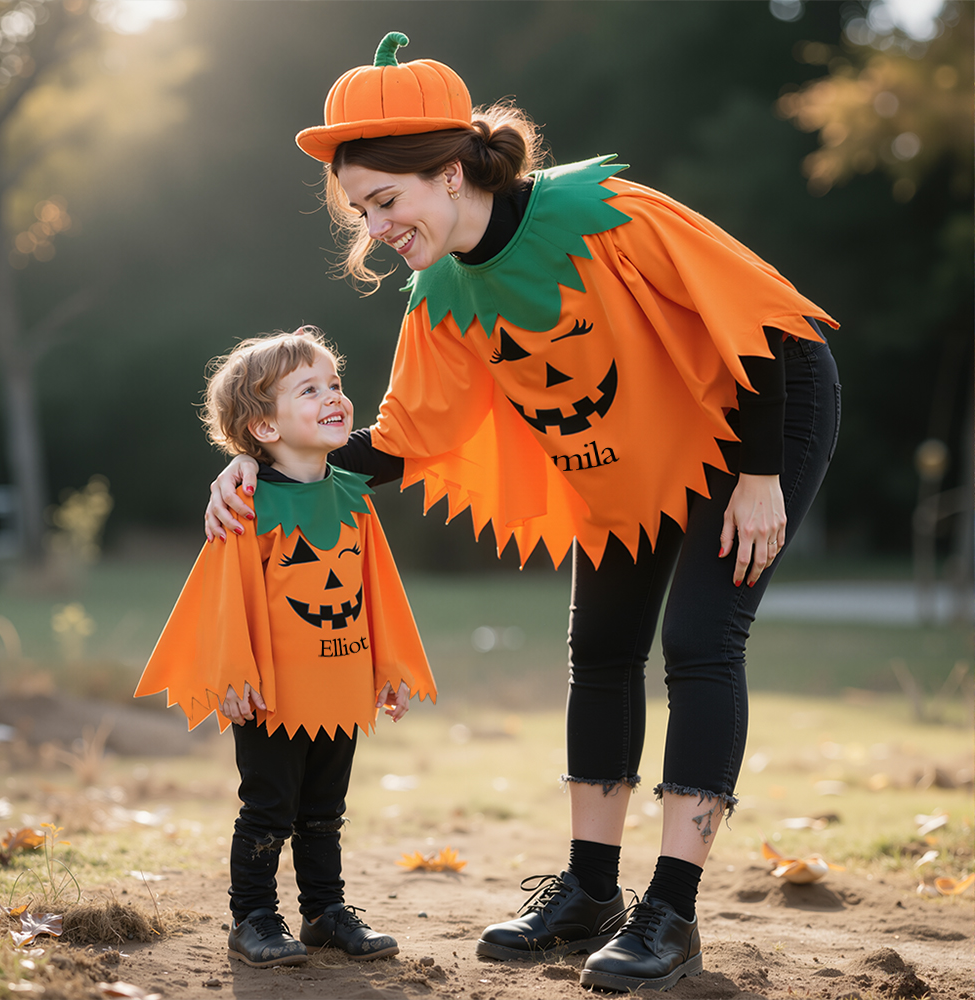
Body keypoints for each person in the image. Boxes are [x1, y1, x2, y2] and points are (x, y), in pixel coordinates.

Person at [205, 33, 841, 993]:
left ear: (450, 173)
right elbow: (402, 439)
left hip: (758, 408)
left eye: (386, 201)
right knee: (602, 645)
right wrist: (261, 469)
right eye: (360, 210)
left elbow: (755, 323)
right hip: (632, 438)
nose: (375, 227)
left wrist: (761, 478)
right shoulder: (440, 296)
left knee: (701, 640)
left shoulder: (607, 215)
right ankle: (590, 892)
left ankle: (671, 911)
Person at [137, 327, 436, 969]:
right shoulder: (247, 505)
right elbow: (226, 597)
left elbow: (377, 586)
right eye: (309, 390)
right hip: (272, 693)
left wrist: (390, 667)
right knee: (268, 809)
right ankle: (252, 918)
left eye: (335, 384)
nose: (333, 396)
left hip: (339, 684)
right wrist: (232, 676)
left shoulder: (353, 493)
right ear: (265, 427)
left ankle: (325, 912)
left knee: (326, 809)